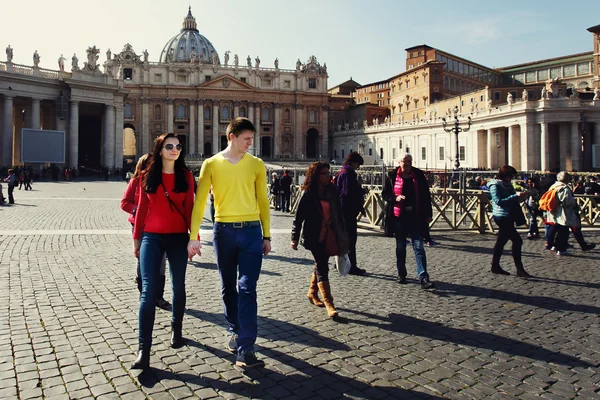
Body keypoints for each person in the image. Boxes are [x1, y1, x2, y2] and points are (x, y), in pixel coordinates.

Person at [187, 117, 271, 369]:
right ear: (231, 137)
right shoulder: (211, 164)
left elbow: (263, 201)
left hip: (251, 231)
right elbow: (200, 202)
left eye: (252, 139)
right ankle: (235, 330)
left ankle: (246, 349)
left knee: (247, 288)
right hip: (222, 231)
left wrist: (266, 235)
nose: (250, 143)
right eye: (246, 139)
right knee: (227, 287)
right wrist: (193, 236)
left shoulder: (256, 164)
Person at [130, 133, 195, 370]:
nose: (175, 149)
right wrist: (137, 238)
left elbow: (190, 209)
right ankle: (143, 350)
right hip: (152, 237)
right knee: (148, 292)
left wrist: (194, 238)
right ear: (159, 150)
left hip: (179, 238)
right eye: (169, 146)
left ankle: (176, 331)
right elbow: (142, 209)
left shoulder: (186, 176)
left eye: (178, 146)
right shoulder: (148, 175)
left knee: (179, 286)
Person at [291, 162, 349, 320]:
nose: (328, 176)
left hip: (330, 234)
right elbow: (298, 218)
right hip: (314, 235)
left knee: (321, 263)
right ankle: (330, 304)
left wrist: (342, 234)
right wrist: (294, 238)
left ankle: (311, 292)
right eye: (324, 173)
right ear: (316, 175)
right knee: (323, 266)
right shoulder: (308, 193)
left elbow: (339, 214)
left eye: (328, 173)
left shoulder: (332, 190)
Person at [120, 154, 171, 311]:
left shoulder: (161, 181)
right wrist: (137, 210)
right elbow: (124, 203)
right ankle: (144, 293)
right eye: (147, 163)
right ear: (141, 165)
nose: (150, 166)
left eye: (152, 163)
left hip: (158, 225)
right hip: (140, 225)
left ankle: (158, 296)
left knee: (161, 259)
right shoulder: (135, 181)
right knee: (142, 258)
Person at [382, 153, 435, 288]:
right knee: (401, 247)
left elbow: (425, 196)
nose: (408, 164)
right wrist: (395, 199)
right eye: (405, 161)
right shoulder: (392, 176)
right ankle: (401, 273)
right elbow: (385, 194)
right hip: (399, 217)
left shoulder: (418, 175)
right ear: (399, 162)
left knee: (419, 247)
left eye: (410, 161)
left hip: (416, 216)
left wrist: (428, 214)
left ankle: (423, 276)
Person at [488, 165, 531, 277]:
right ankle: (519, 269)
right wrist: (515, 196)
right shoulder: (494, 185)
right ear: (505, 175)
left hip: (510, 215)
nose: (511, 178)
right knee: (517, 241)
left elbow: (512, 198)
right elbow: (498, 201)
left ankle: (495, 266)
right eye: (510, 176)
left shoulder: (508, 184)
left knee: (501, 242)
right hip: (501, 215)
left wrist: (522, 196)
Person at [335, 152, 367, 276]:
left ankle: (339, 263)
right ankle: (352, 266)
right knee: (351, 240)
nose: (358, 167)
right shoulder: (349, 174)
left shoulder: (341, 172)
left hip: (341, 211)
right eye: (358, 164)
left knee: (343, 238)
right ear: (353, 162)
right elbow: (348, 192)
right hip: (347, 212)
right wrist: (360, 191)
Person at [546, 172, 585, 256]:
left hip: (553, 211)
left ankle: (553, 245)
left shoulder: (553, 186)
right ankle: (561, 249)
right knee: (563, 231)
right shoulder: (564, 188)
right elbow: (568, 201)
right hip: (563, 212)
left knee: (555, 229)